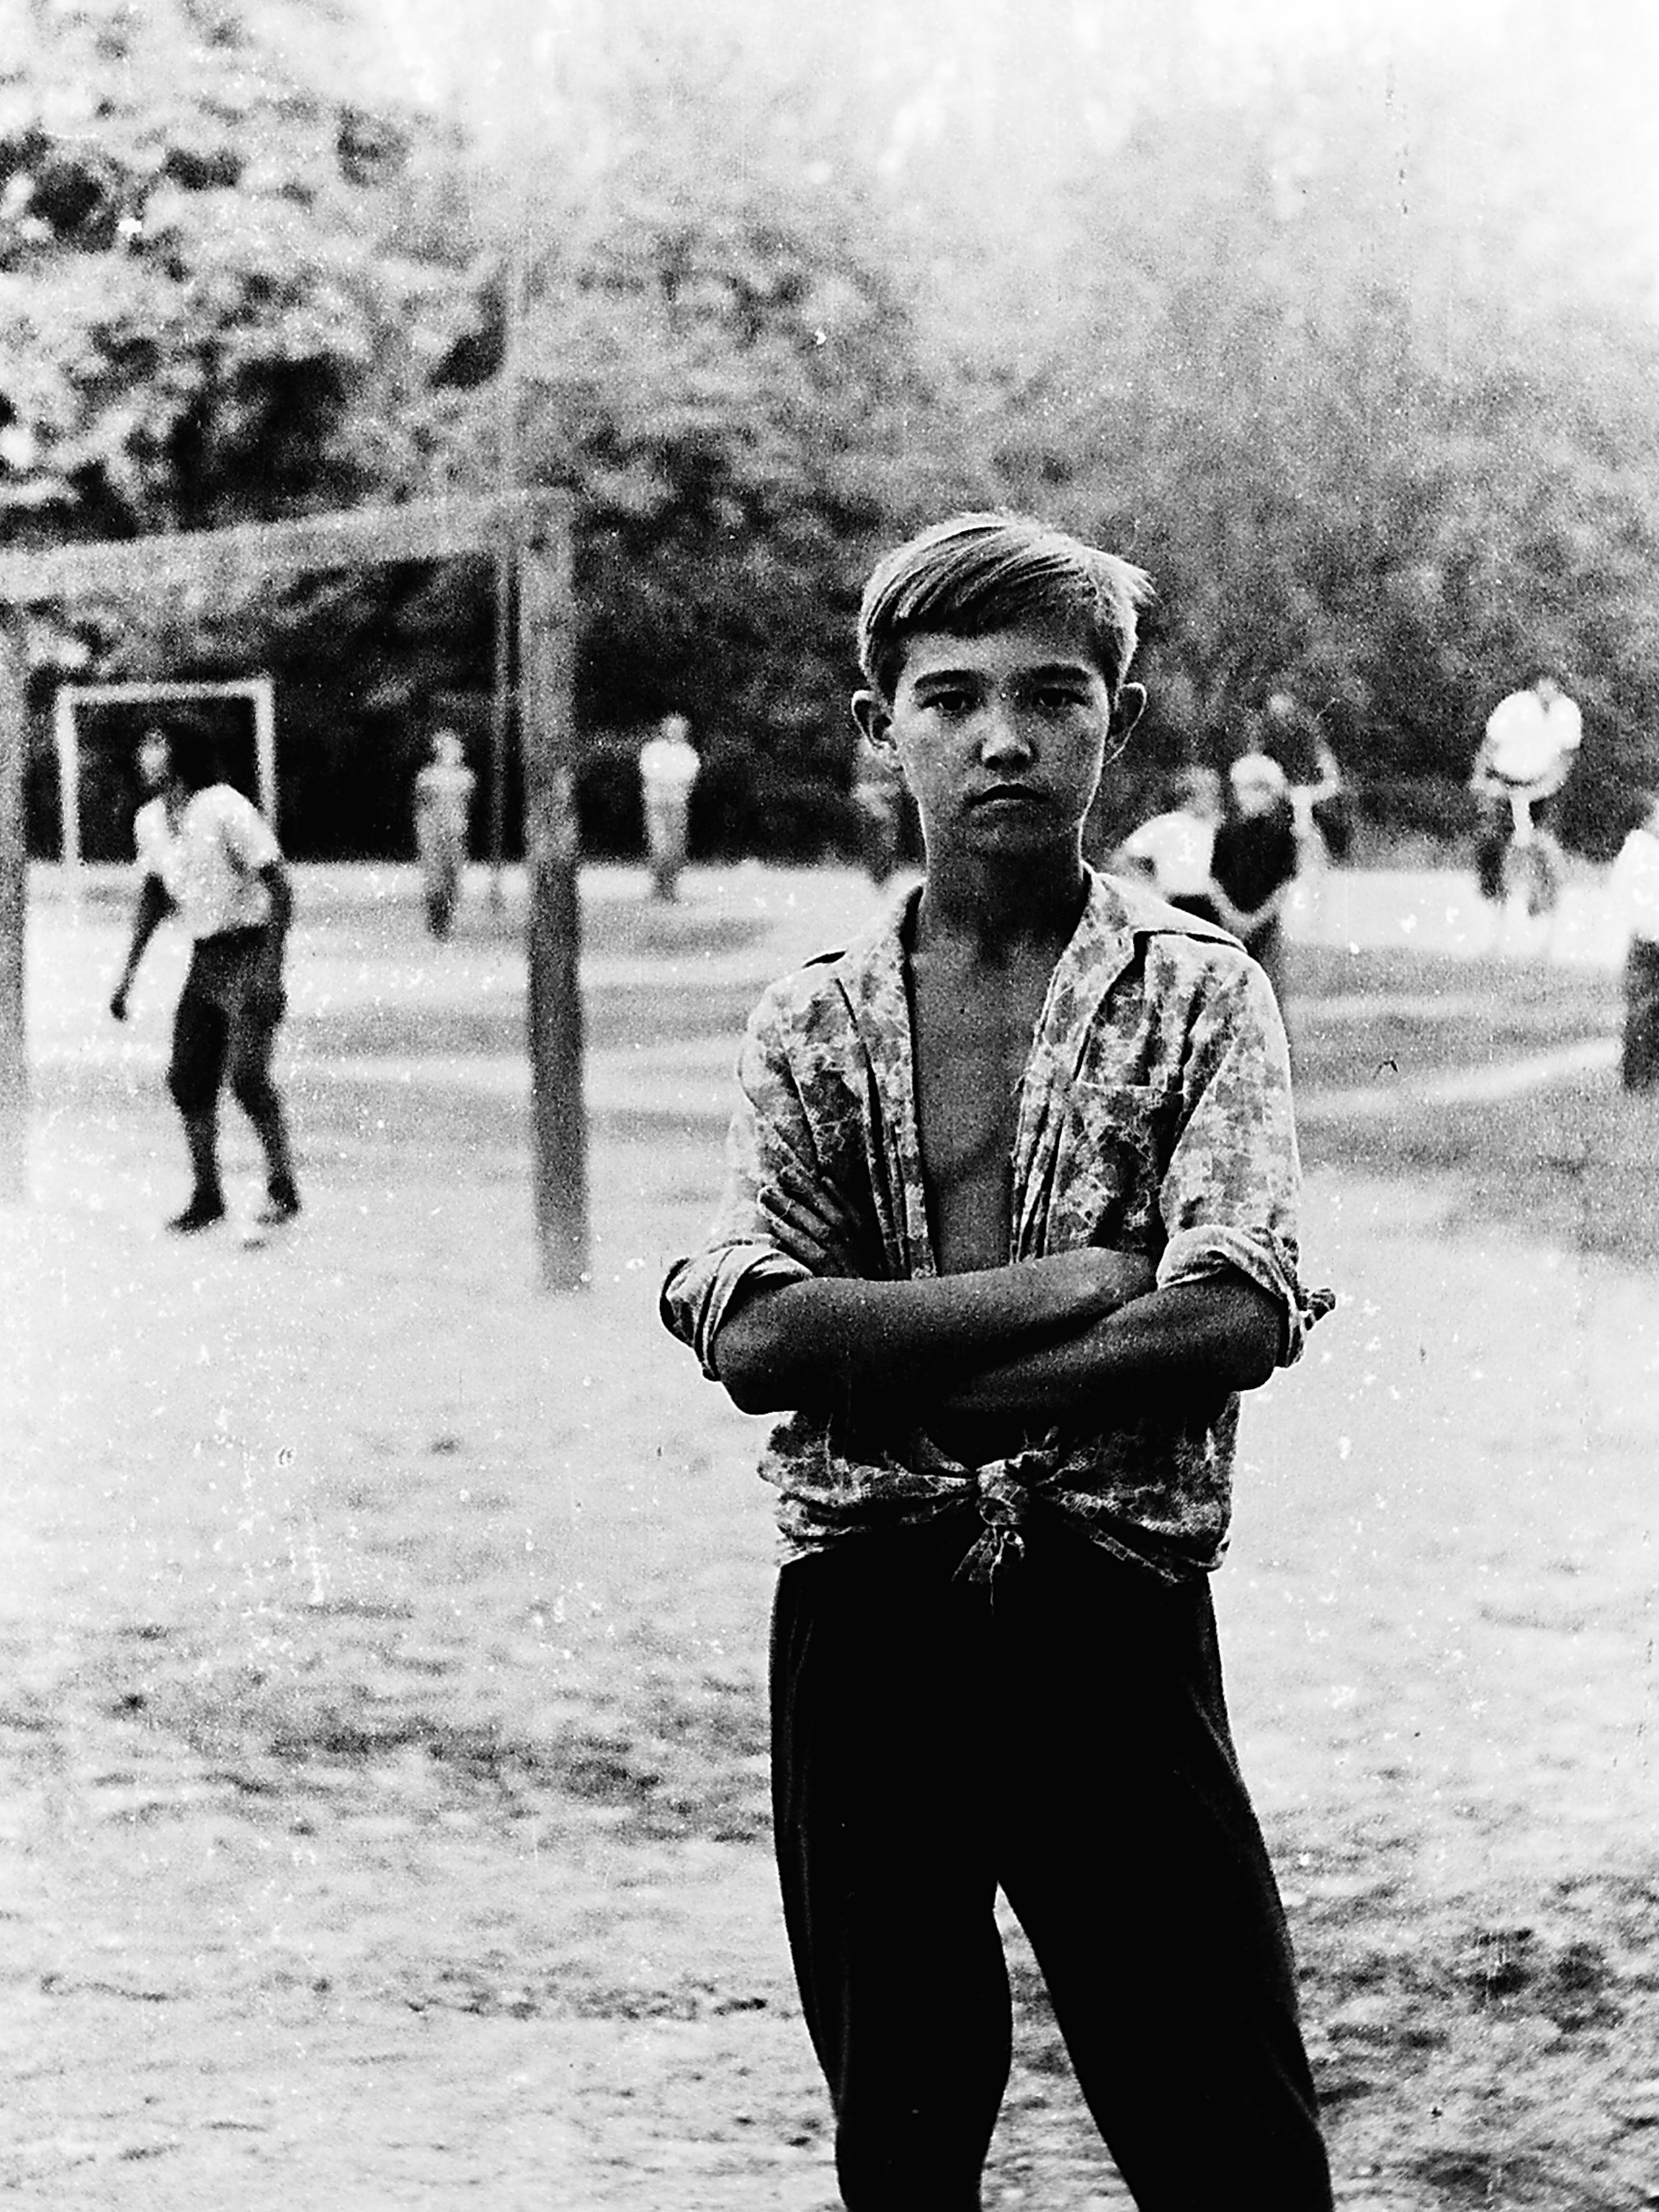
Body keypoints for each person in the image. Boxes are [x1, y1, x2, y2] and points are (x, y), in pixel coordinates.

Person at [660, 512, 1334, 2211]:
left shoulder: (1194, 995)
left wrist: (899, 1374)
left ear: (1118, 717)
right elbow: (756, 1331)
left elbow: (1234, 1310)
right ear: (879, 725)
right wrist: (1074, 1285)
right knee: (901, 2127)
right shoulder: (814, 1019)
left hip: (1110, 1606)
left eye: (1052, 695)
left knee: (1230, 2133)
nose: (1004, 740)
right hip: (864, 1616)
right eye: (950, 698)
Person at [109, 721, 300, 1235]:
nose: (146, 754)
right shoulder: (150, 821)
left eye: (156, 743)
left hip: (249, 949)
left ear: (182, 751)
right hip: (206, 958)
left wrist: (270, 972)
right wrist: (127, 977)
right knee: (188, 1077)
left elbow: (280, 887)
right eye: (144, 744)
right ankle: (207, 1195)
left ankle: (283, 1185)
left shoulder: (223, 806)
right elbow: (154, 897)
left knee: (248, 1078)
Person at [1469, 669, 1582, 914]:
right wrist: (1480, 777)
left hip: (1543, 785)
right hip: (1504, 780)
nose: (1548, 689)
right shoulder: (1515, 706)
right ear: (1536, 684)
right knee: (1491, 836)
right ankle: (1491, 890)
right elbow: (1490, 744)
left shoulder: (1568, 712)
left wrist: (1544, 788)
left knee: (1544, 842)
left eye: (1554, 684)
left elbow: (1565, 760)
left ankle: (1544, 898)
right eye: (1544, 683)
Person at [1207, 750, 1301, 1009]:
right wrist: (1231, 915)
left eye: (1258, 789)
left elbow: (1284, 884)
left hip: (1266, 923)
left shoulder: (1283, 835)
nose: (1247, 796)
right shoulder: (1226, 832)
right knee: (1229, 987)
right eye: (1242, 789)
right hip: (1229, 921)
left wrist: (1257, 919)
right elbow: (1215, 880)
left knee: (1268, 989)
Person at [1113, 763, 1222, 920]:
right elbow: (1125, 856)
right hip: (1173, 900)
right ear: (1191, 795)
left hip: (1205, 903)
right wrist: (1149, 887)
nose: (1213, 800)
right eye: (1208, 794)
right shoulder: (1168, 824)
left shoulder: (1211, 828)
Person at [1609, 793, 1659, 1091]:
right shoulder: (1643, 851)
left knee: (1646, 1010)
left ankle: (1643, 1076)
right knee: (1645, 1009)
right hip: (1649, 941)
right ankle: (1640, 1077)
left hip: (1645, 938)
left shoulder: (1643, 850)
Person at [412, 727, 476, 939]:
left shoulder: (466, 778)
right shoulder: (427, 778)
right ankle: (436, 922)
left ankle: (446, 920)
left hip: (455, 832)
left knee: (453, 877)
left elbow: (465, 805)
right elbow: (422, 807)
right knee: (435, 877)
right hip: (433, 832)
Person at [638, 711, 700, 900]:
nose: (675, 732)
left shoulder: (687, 753)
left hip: (677, 805)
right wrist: (670, 782)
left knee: (676, 848)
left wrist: (670, 782)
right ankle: (659, 885)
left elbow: (689, 776)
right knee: (659, 846)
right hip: (656, 805)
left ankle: (671, 887)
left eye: (679, 729)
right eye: (672, 728)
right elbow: (649, 772)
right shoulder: (653, 750)